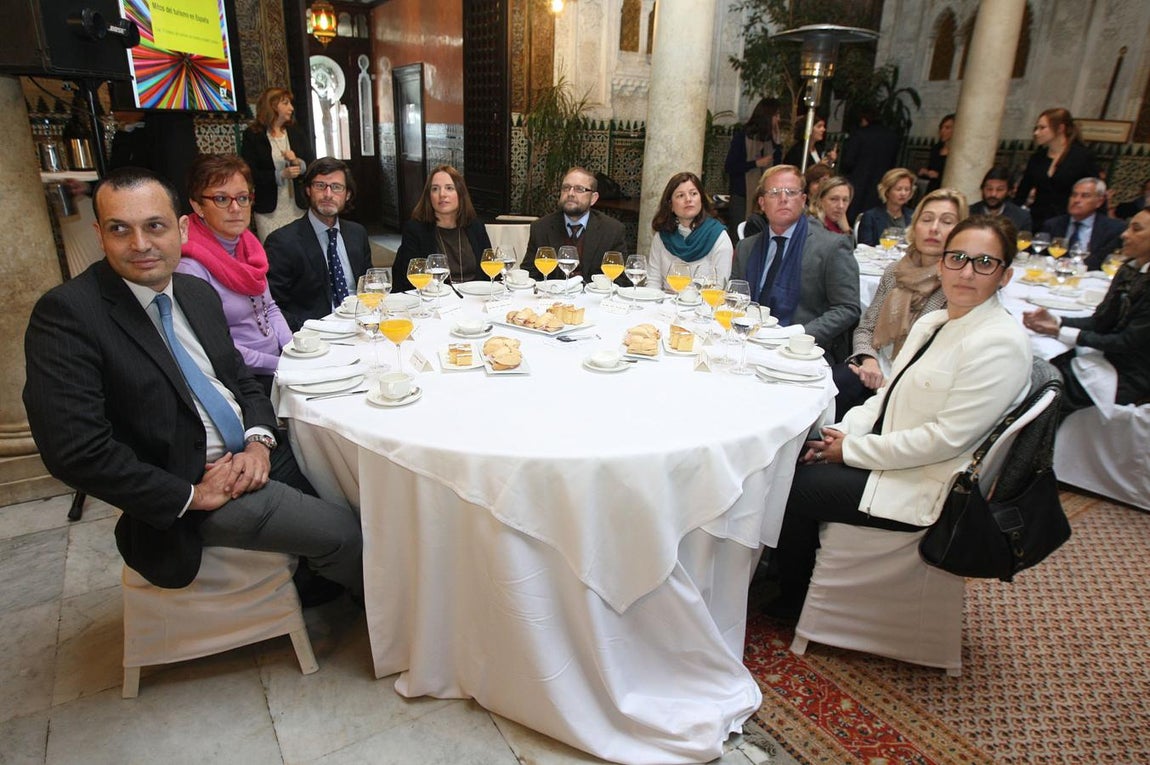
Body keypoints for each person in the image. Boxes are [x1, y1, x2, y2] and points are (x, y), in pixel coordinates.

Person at [22, 167, 363, 595]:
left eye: (155, 226)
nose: (140, 244)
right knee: (345, 531)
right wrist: (191, 494)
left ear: (182, 228)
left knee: (358, 488)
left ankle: (318, 585)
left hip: (252, 453)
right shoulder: (68, 314)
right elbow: (73, 451)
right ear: (99, 234)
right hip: (199, 484)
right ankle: (389, 621)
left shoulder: (193, 291)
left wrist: (259, 442)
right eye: (120, 229)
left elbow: (239, 378)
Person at [769, 215, 1032, 619]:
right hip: (891, 453)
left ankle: (794, 600)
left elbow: (944, 440)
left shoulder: (999, 344)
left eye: (984, 263)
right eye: (957, 258)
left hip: (922, 483)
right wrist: (839, 432)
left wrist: (850, 451)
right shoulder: (936, 322)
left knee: (789, 483)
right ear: (942, 263)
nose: (966, 272)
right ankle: (787, 564)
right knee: (792, 451)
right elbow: (887, 396)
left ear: (1005, 275)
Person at [834, 188, 969, 417]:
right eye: (926, 219)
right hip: (875, 369)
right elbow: (866, 327)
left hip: (916, 383)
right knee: (822, 391)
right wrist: (869, 361)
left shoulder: (959, 284)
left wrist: (892, 379)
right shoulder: (895, 272)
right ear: (914, 226)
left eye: (946, 222)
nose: (934, 228)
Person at [176, 154, 292, 396]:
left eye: (242, 198)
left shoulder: (249, 247)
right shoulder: (190, 269)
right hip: (240, 380)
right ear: (198, 206)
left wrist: (292, 349)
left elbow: (269, 308)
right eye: (221, 199)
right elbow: (220, 348)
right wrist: (282, 365)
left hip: (277, 365)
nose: (236, 208)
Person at [1023, 209, 1150, 413]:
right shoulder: (1129, 269)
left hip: (1130, 374)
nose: (1125, 235)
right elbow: (1102, 320)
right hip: (1103, 356)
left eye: (1136, 229)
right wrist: (1057, 320)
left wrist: (1061, 332)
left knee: (1046, 386)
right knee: (1036, 366)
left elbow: (1127, 342)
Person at [732, 165, 860, 362]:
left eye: (791, 192)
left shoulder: (831, 247)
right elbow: (735, 297)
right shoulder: (746, 247)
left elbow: (847, 308)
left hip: (803, 352)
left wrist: (801, 333)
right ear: (762, 203)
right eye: (774, 193)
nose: (783, 199)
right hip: (748, 344)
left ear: (803, 200)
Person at [265, 157, 373, 331]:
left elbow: (370, 286)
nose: (328, 194)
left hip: (360, 327)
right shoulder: (282, 242)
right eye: (320, 186)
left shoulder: (357, 234)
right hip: (314, 334)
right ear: (308, 190)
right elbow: (273, 307)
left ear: (348, 195)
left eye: (336, 187)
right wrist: (311, 331)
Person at [392, 165, 492, 293]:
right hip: (435, 300)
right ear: (429, 196)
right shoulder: (416, 230)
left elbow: (489, 271)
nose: (442, 194)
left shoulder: (475, 226)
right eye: (435, 189)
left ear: (460, 194)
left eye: (449, 188)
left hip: (475, 298)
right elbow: (409, 279)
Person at [521, 167, 626, 282]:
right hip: (554, 297)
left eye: (579, 189)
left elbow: (621, 280)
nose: (570, 193)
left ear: (593, 198)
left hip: (594, 298)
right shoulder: (541, 228)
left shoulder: (612, 230)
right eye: (566, 188)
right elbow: (529, 275)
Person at [242, 87, 315, 241]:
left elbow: (311, 164)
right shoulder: (253, 135)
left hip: (296, 207)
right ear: (273, 105)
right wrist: (280, 175)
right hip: (268, 210)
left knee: (299, 250)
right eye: (286, 103)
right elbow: (249, 172)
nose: (291, 108)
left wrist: (297, 162)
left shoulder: (296, 132)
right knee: (273, 253)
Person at [1014, 107, 1099, 229]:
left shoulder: (1081, 157)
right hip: (1038, 221)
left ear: (1060, 128)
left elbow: (1095, 190)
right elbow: (1022, 193)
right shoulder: (1037, 158)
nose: (1036, 133)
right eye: (1036, 128)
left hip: (1068, 222)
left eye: (1042, 128)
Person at [647, 171, 733, 291]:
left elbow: (718, 289)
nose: (688, 199)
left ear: (701, 200)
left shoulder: (717, 236)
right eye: (680, 195)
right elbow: (653, 281)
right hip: (665, 306)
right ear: (670, 205)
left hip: (702, 307)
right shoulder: (662, 236)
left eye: (693, 194)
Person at [724, 98, 782, 240]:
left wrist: (777, 141)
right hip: (742, 194)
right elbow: (730, 166)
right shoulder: (742, 136)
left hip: (765, 196)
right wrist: (755, 163)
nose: (778, 119)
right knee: (739, 236)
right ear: (768, 116)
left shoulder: (773, 139)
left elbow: (778, 167)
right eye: (776, 115)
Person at [1039, 177, 1126, 270]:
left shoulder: (1114, 229)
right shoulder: (1053, 224)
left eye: (1085, 196)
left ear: (1099, 202)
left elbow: (1105, 261)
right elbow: (1040, 257)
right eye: (1074, 195)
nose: (1076, 200)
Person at [840, 107, 901, 223]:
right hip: (880, 188)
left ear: (863, 120)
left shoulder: (859, 135)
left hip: (858, 186)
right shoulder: (892, 137)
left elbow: (848, 162)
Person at [857, 168, 916, 246]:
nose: (903, 193)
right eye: (899, 189)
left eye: (907, 189)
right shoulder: (871, 217)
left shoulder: (913, 216)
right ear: (887, 191)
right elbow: (865, 248)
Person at [970, 165, 1032, 233]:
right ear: (982, 189)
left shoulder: (1021, 217)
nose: (993, 194)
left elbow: (1024, 242)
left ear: (1009, 191)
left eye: (999, 190)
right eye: (989, 189)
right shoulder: (969, 212)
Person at [917, 113, 954, 194]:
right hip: (933, 188)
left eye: (947, 128)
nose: (943, 131)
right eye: (941, 127)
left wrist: (938, 176)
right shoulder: (936, 148)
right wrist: (925, 172)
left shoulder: (957, 152)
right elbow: (931, 168)